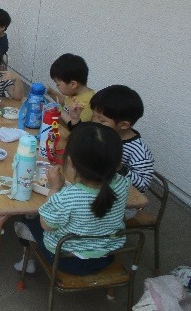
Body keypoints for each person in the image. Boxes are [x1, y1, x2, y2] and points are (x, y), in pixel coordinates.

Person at [14, 122, 130, 275]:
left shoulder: (67, 197)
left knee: (28, 216)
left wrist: (55, 188)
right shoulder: (123, 183)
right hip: (107, 256)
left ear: (70, 162)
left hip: (67, 260)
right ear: (117, 164)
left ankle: (27, 259)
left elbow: (47, 226)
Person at [69, 86, 154, 216]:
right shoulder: (102, 133)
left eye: (102, 120)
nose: (94, 121)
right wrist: (76, 120)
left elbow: (142, 186)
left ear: (124, 125)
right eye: (94, 115)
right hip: (94, 188)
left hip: (121, 204)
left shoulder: (139, 152)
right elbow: (83, 144)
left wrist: (120, 168)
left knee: (67, 205)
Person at [47, 53, 94, 126]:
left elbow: (77, 127)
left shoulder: (87, 103)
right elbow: (64, 101)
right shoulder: (74, 93)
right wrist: (50, 91)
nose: (56, 86)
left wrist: (60, 110)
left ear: (73, 84)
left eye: (58, 84)